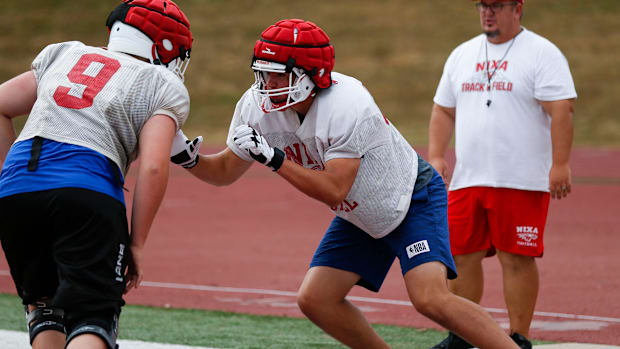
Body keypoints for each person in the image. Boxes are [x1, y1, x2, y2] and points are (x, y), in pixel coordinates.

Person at [170, 18, 518, 349]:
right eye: (262, 74)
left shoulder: (347, 102)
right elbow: (224, 172)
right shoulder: (255, 105)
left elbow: (335, 188)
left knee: (429, 298)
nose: (266, 85)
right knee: (315, 300)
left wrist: (274, 159)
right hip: (361, 213)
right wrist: (186, 157)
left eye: (277, 76)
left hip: (410, 198)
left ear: (309, 76)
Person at [0, 0, 193, 348]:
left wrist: (9, 181)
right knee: (93, 316)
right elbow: (153, 165)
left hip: (16, 188)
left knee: (45, 308)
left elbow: (1, 104)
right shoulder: (161, 81)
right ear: (162, 47)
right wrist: (137, 243)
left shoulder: (65, 52)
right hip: (86, 188)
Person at [427, 1, 576, 348]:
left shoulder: (542, 52)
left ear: (517, 7)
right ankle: (462, 336)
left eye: (496, 5)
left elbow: (561, 109)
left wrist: (560, 164)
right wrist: (436, 155)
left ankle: (519, 335)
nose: (487, 12)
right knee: (460, 257)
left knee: (516, 257)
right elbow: (442, 109)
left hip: (520, 179)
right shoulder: (462, 54)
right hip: (469, 178)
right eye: (483, 5)